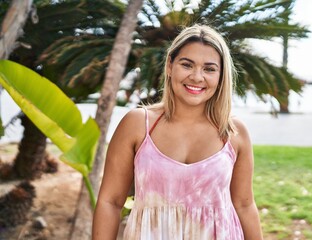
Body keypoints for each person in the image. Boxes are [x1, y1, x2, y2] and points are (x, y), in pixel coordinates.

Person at [92, 24, 263, 240]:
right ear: (170, 66)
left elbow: (244, 205)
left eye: (209, 69)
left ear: (221, 77)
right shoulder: (138, 124)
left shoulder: (233, 132)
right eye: (187, 65)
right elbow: (111, 201)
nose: (197, 77)